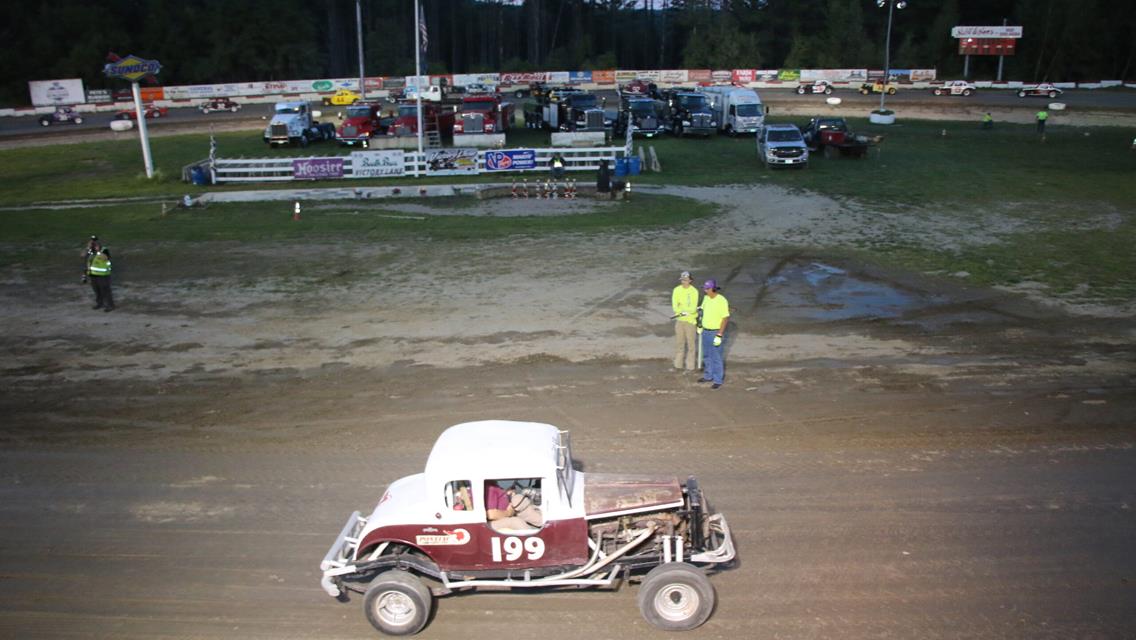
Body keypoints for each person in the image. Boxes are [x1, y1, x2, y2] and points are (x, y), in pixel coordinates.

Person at [698, 279, 729, 389]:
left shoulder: (721, 300)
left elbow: (725, 318)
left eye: (707, 289)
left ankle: (717, 380)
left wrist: (719, 334)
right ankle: (708, 376)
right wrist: (700, 325)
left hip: (715, 332)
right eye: (704, 288)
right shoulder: (706, 298)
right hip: (706, 331)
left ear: (713, 289)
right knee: (706, 355)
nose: (705, 291)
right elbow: (702, 311)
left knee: (716, 357)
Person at [671, 271, 700, 371]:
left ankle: (690, 366)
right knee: (680, 343)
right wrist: (682, 311)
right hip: (679, 320)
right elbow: (675, 306)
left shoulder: (694, 291)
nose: (684, 282)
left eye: (686, 280)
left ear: (690, 280)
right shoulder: (676, 290)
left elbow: (693, 308)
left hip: (690, 321)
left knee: (691, 344)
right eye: (683, 280)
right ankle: (678, 365)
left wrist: (684, 310)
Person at [87, 246, 114, 312]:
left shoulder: (104, 250)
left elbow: (105, 258)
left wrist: (98, 252)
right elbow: (83, 256)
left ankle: (110, 305)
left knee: (105, 291)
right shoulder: (91, 252)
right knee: (97, 290)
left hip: (103, 275)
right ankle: (100, 303)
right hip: (93, 275)